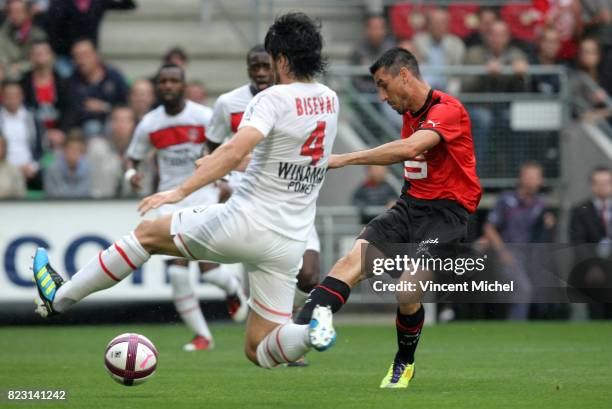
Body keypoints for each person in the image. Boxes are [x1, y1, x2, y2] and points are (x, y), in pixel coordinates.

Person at [34, 12, 338, 367]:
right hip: (290, 241)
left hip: (248, 221)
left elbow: (234, 149)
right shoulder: (330, 99)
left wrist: (179, 191)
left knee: (147, 233)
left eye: (271, 61)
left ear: (281, 59)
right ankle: (311, 330)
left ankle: (60, 297)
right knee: (259, 349)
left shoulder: (271, 98)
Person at [291, 47, 481, 388]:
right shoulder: (409, 110)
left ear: (404, 75)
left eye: (383, 85)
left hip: (446, 216)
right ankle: (300, 329)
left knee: (408, 291)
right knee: (350, 263)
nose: (381, 96)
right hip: (409, 207)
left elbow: (409, 149)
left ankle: (404, 362)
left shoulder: (448, 110)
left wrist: (342, 159)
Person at [122, 64, 248, 351]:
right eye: (163, 81)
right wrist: (131, 174)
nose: (168, 86)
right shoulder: (150, 123)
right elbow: (132, 157)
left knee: (208, 270)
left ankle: (233, 289)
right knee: (178, 273)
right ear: (157, 87)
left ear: (183, 85)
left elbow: (229, 151)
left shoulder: (204, 117)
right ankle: (202, 336)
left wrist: (227, 181)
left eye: (173, 81)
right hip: (169, 199)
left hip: (203, 194)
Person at [208, 44, 323, 351]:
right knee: (199, 262)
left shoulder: (294, 99)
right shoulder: (228, 103)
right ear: (247, 67)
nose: (260, 72)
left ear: (276, 66)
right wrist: (219, 176)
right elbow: (214, 144)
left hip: (294, 197)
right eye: (254, 66)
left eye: (265, 66)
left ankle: (284, 319)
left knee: (310, 276)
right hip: (249, 201)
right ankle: (286, 333)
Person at [483, 162, 555, 320]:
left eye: (537, 177)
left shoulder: (539, 205)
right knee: (523, 289)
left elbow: (540, 235)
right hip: (508, 254)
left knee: (538, 290)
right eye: (530, 176)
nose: (534, 181)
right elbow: (489, 228)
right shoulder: (506, 199)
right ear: (521, 179)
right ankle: (516, 329)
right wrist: (502, 252)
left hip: (529, 257)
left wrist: (548, 223)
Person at [46, 0, 136, 75]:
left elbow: (129, 5)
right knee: (66, 85)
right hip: (66, 55)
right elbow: (52, 25)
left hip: (89, 54)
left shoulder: (98, 2)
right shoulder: (61, 2)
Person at [569, 166, 612, 319]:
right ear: (592, 186)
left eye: (606, 182)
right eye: (598, 183)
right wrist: (593, 266)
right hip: (593, 270)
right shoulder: (580, 211)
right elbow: (578, 242)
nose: (602, 187)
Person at [67, 38, 129, 137]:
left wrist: (106, 107)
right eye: (77, 57)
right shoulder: (71, 81)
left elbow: (126, 103)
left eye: (85, 55)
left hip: (112, 124)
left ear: (96, 55)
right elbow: (70, 110)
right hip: (83, 129)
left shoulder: (114, 77)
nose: (81, 61)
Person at [20, 39, 71, 149]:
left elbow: (70, 109)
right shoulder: (23, 84)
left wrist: (61, 130)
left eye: (43, 52)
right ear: (30, 57)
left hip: (57, 134)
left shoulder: (64, 83)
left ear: (52, 56)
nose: (40, 56)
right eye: (36, 53)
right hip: (30, 133)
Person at [0, 79, 42, 189]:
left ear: (22, 96)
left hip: (30, 169)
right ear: (2, 97)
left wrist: (32, 167)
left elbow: (41, 148)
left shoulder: (33, 118)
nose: (12, 98)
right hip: (3, 168)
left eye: (15, 94)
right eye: (8, 95)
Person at [412, 8, 465, 93]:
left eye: (442, 23)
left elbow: (457, 67)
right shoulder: (418, 41)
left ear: (447, 25)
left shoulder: (456, 43)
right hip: (425, 82)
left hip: (448, 81)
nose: (438, 26)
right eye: (435, 23)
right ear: (428, 25)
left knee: (454, 86)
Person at [0, 0, 47, 78]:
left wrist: (20, 67)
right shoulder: (3, 32)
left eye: (18, 11)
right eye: (11, 12)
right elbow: (2, 56)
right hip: (9, 74)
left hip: (32, 75)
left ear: (27, 13)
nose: (14, 15)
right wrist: (9, 67)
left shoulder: (37, 33)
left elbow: (38, 59)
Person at [43, 131, 91, 198]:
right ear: (64, 150)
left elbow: (86, 192)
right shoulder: (52, 169)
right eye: (71, 149)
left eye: (78, 150)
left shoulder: (88, 169)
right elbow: (52, 193)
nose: (74, 153)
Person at [0, 133, 26, 198]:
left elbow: (21, 194)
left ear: (5, 148)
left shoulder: (14, 170)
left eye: (0, 146)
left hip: (9, 205)